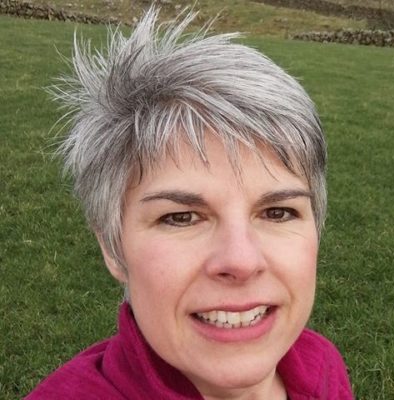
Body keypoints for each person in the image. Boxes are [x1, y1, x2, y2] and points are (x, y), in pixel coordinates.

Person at [26, 6, 353, 400]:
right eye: (181, 217)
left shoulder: (320, 365)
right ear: (112, 248)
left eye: (277, 212)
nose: (241, 261)